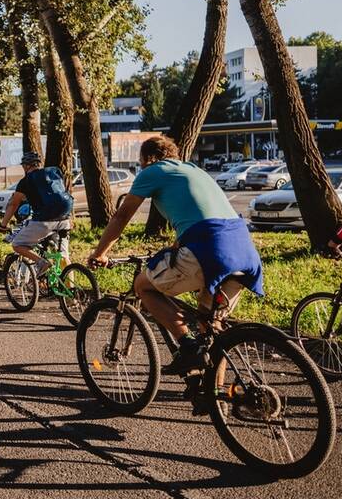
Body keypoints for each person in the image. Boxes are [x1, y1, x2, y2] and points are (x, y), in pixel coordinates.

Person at [87, 135, 264, 375]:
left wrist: (100, 253)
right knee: (211, 327)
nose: (140, 166)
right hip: (243, 250)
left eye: (140, 162)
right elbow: (201, 216)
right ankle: (214, 396)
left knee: (143, 287)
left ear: (148, 158)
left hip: (210, 250)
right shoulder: (194, 170)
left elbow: (121, 216)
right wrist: (176, 245)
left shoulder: (152, 171)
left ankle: (187, 345)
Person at [0, 153, 74, 274]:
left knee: (18, 245)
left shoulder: (26, 181)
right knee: (64, 256)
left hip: (44, 221)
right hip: (64, 219)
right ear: (39, 164)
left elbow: (13, 204)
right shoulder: (53, 173)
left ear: (26, 166)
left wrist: (3, 225)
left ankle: (41, 262)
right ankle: (71, 289)